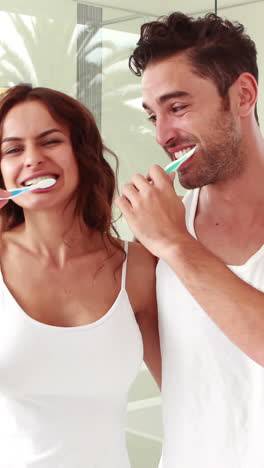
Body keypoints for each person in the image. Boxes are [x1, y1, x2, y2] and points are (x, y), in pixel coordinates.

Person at [115, 12, 264, 468]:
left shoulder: (169, 238)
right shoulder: (158, 235)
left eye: (178, 108)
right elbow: (180, 375)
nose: (163, 135)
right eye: (153, 115)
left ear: (242, 95)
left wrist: (177, 245)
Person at [0, 84, 160, 468]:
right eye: (13, 149)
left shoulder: (137, 268)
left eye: (50, 141)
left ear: (81, 154)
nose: (33, 159)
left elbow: (188, 389)